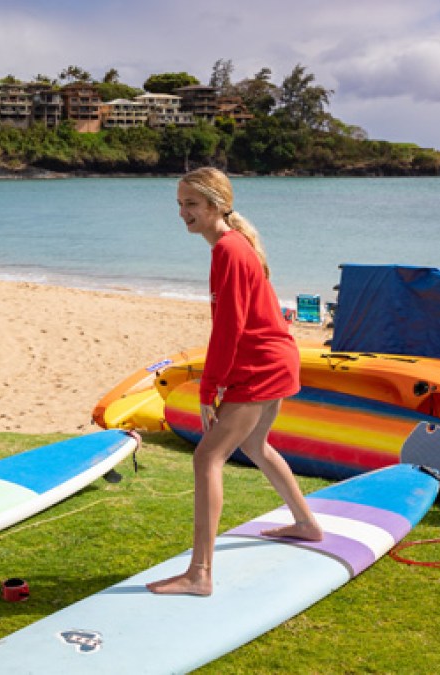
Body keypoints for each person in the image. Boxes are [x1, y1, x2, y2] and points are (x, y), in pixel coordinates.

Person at [147, 167, 322, 597]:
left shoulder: (228, 249)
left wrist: (210, 389)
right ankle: (305, 524)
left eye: (191, 204)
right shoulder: (235, 245)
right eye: (179, 204)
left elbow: (230, 328)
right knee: (255, 446)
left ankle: (200, 573)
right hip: (276, 358)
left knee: (207, 457)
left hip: (261, 365)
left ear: (215, 206)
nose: (183, 213)